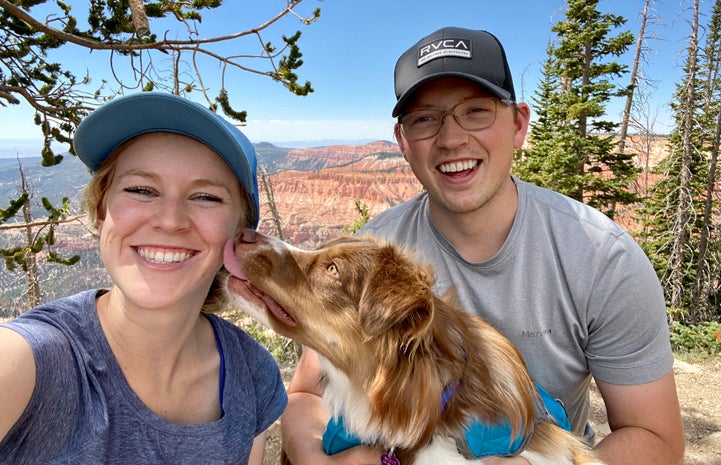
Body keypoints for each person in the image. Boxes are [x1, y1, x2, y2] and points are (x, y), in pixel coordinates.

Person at [280, 27, 685, 465]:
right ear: (403, 142)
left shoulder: (602, 258)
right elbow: (305, 391)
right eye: (425, 118)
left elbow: (656, 438)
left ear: (518, 125)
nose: (452, 138)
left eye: (476, 111)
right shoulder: (375, 256)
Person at [0, 92, 287, 465]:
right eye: (141, 190)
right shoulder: (31, 361)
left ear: (238, 235)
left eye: (205, 197)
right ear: (102, 211)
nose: (169, 220)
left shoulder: (252, 374)